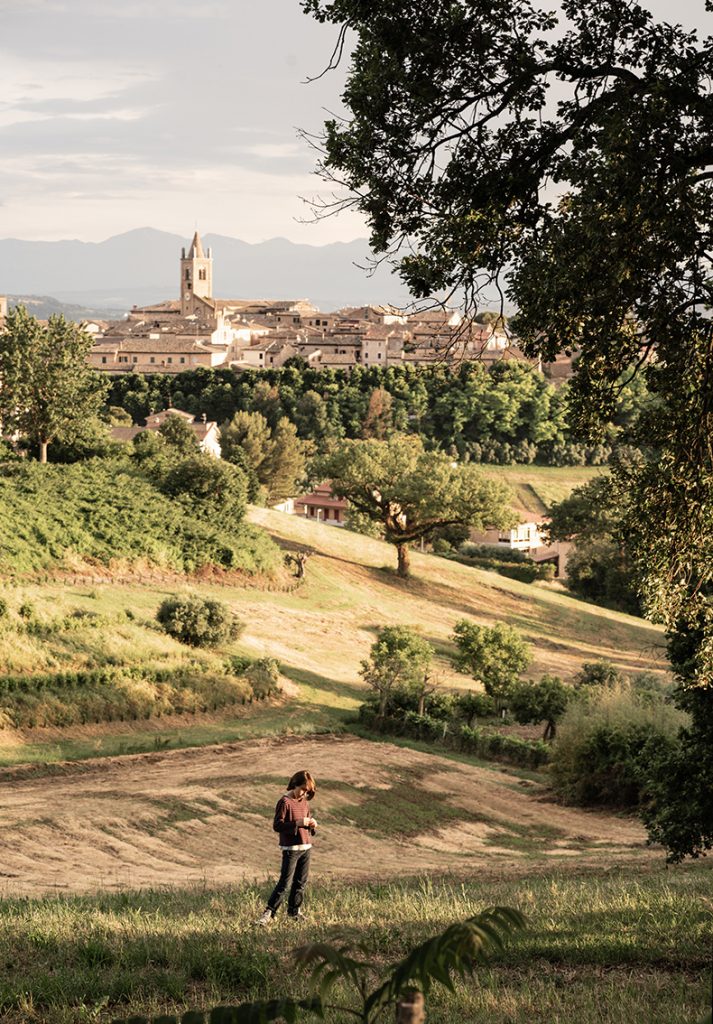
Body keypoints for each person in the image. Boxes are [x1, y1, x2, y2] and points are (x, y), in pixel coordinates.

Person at [256, 769, 318, 925]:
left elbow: (307, 823)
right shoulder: (284, 802)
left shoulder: (304, 802)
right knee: (285, 883)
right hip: (291, 849)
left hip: (306, 847)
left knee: (300, 882)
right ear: (294, 785)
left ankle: (294, 911)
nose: (304, 794)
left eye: (307, 791)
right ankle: (268, 913)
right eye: (303, 789)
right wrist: (296, 824)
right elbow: (277, 825)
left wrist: (312, 825)